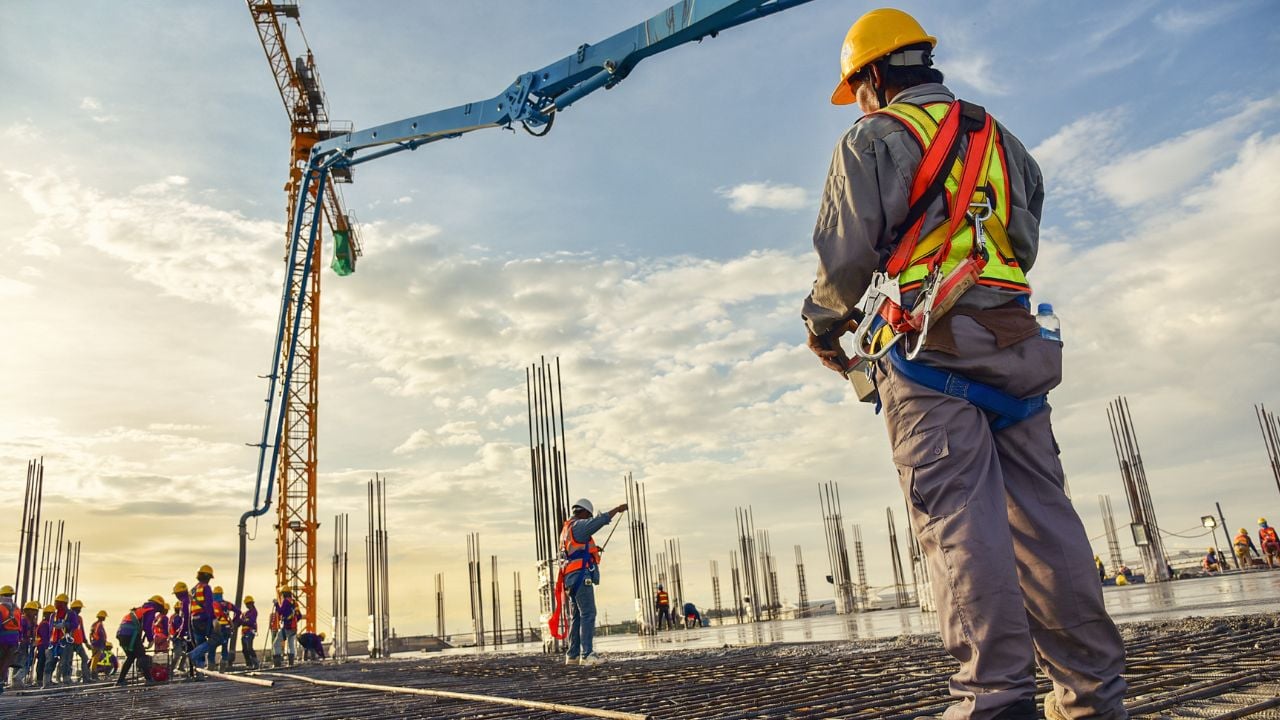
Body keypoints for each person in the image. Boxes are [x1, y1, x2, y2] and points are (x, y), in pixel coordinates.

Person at [802, 10, 1128, 720]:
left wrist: (825, 326)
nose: (857, 98)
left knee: (960, 525)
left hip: (928, 354)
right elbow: (1022, 241)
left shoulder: (873, 138)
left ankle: (993, 701)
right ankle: (1094, 699)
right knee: (1048, 524)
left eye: (856, 84)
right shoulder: (1004, 142)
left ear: (874, 74)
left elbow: (846, 257)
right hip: (1017, 350)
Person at [560, 497, 627, 666]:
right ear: (584, 513)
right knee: (588, 613)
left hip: (570, 578)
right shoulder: (580, 526)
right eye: (588, 516)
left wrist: (593, 550)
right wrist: (617, 509)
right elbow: (600, 521)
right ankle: (587, 654)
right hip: (581, 576)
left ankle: (573, 655)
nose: (589, 519)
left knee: (576, 615)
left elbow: (575, 550)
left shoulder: (567, 529)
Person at [115, 596, 164, 686]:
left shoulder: (140, 610)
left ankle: (120, 680)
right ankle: (149, 679)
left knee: (131, 657)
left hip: (121, 634)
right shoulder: (151, 609)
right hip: (130, 634)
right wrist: (150, 639)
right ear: (158, 605)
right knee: (142, 655)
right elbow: (147, 626)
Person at [187, 565, 217, 673]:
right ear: (207, 576)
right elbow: (209, 605)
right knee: (216, 639)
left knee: (200, 644)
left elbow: (190, 609)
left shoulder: (193, 590)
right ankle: (193, 654)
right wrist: (214, 619)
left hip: (194, 620)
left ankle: (200, 672)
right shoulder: (206, 588)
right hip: (204, 619)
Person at [59, 599, 92, 683]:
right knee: (67, 660)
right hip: (70, 642)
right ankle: (66, 678)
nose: (80, 610)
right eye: (79, 608)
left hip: (79, 642)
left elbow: (82, 631)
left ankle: (86, 677)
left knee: (85, 658)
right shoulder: (69, 615)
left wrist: (86, 642)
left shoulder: (80, 618)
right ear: (76, 608)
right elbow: (65, 628)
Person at [14, 601, 39, 687]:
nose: (35, 613)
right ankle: (17, 678)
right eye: (33, 611)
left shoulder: (32, 621)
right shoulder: (23, 620)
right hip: (23, 644)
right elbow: (20, 631)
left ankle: (17, 680)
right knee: (23, 662)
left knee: (26, 661)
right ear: (27, 610)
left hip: (28, 644)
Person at [0, 586, 20, 695]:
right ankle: (1, 684)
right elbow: (20, 626)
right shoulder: (17, 609)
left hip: (2, 639)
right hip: (14, 640)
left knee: (1, 662)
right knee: (6, 664)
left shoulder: (1, 608)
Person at [272, 587, 299, 667]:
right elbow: (299, 615)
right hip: (294, 627)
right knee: (291, 644)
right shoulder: (294, 602)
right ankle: (291, 663)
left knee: (276, 643)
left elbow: (280, 612)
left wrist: (276, 604)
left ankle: (277, 663)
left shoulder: (286, 601)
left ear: (283, 594)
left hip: (287, 627)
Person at [213, 586, 238, 670]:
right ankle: (222, 668)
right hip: (226, 628)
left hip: (217, 628)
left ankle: (210, 667)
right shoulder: (227, 604)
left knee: (212, 646)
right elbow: (238, 612)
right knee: (224, 646)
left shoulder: (213, 604)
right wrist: (233, 622)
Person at [171, 582, 190, 675]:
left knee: (185, 653)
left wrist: (181, 633)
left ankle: (181, 667)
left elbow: (185, 620)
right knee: (180, 654)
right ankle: (172, 669)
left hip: (182, 636)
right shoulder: (175, 618)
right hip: (178, 637)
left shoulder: (185, 602)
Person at [240, 595, 260, 670]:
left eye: (249, 603)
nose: (248, 605)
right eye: (247, 604)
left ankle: (255, 663)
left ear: (252, 603)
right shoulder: (245, 613)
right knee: (244, 649)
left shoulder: (254, 612)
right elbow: (241, 621)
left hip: (250, 632)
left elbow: (251, 621)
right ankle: (249, 664)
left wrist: (243, 621)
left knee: (249, 647)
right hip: (244, 632)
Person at [89, 610, 109, 680]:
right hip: (98, 644)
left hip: (95, 643)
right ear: (102, 617)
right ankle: (93, 675)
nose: (105, 618)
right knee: (95, 660)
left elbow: (91, 634)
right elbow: (100, 634)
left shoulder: (95, 624)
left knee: (94, 659)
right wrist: (103, 642)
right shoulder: (99, 624)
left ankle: (92, 674)